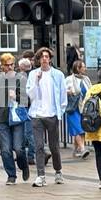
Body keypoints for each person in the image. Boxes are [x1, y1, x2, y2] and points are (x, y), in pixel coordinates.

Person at [26, 46, 67, 186]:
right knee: (38, 146)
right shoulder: (33, 75)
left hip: (52, 114)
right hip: (37, 114)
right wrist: (37, 81)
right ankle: (41, 175)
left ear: (50, 59)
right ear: (38, 59)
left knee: (54, 146)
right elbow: (30, 95)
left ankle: (58, 171)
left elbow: (62, 95)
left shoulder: (58, 75)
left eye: (47, 57)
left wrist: (59, 112)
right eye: (42, 57)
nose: (44, 59)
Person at [0, 53, 30, 185]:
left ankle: (24, 166)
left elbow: (26, 100)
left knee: (19, 148)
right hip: (3, 119)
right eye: (7, 65)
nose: (10, 67)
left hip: (17, 118)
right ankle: (11, 175)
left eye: (12, 64)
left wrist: (16, 96)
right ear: (2, 67)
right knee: (5, 150)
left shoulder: (21, 79)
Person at [65, 59, 92, 160]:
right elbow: (62, 90)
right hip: (73, 107)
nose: (85, 68)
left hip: (84, 108)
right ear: (78, 68)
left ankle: (76, 150)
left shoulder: (86, 79)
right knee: (77, 129)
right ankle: (82, 148)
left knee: (82, 130)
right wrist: (68, 92)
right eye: (83, 66)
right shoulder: (69, 79)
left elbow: (90, 90)